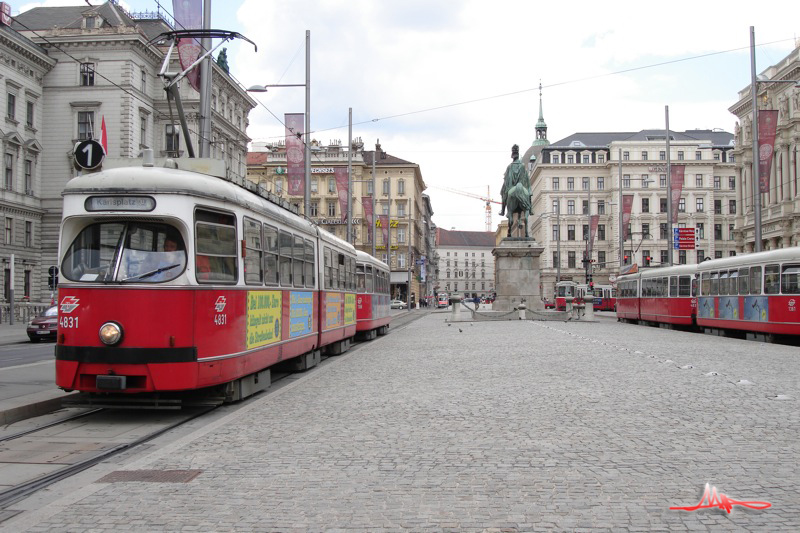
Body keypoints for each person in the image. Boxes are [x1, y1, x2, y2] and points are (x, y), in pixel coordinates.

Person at [499, 144, 531, 237]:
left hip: (511, 186)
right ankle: (530, 208)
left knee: (503, 193)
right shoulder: (522, 166)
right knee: (528, 194)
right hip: (521, 185)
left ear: (512, 155)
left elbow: (507, 180)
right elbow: (525, 179)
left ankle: (502, 210)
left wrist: (507, 187)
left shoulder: (510, 167)